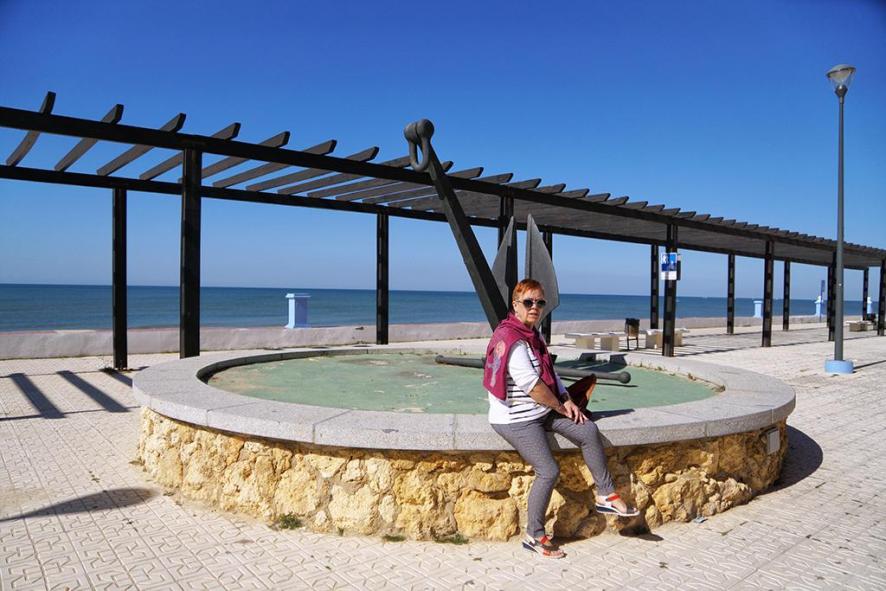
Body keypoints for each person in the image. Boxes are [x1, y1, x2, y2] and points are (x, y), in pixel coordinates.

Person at [483, 278, 638, 559]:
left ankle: (605, 494)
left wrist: (566, 399)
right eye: (528, 302)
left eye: (540, 302)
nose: (535, 307)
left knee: (588, 430)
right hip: (516, 419)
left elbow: (551, 375)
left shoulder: (534, 336)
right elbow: (533, 386)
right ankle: (534, 535)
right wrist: (560, 406)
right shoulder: (512, 340)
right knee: (548, 470)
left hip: (543, 410)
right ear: (515, 305)